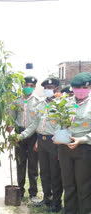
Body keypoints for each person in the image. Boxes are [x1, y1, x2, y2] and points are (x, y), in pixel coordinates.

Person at [17, 77, 63, 213]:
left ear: (57, 89)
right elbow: (34, 124)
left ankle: (56, 201)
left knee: (55, 172)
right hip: (42, 140)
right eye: (46, 88)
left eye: (51, 88)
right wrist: (22, 135)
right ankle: (47, 198)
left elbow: (65, 125)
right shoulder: (41, 104)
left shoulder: (61, 105)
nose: (48, 90)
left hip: (54, 141)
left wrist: (60, 141)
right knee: (44, 172)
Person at [55, 72, 91, 214]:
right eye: (77, 88)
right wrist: (57, 136)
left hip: (84, 149)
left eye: (84, 87)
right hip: (65, 149)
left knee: (84, 185)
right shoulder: (66, 103)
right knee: (68, 184)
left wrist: (81, 139)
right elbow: (60, 124)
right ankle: (69, 211)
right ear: (72, 89)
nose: (80, 90)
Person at [7, 76, 41, 202]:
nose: (29, 87)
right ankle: (20, 190)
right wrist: (10, 126)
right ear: (22, 86)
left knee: (33, 165)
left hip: (33, 135)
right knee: (20, 163)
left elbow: (37, 122)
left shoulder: (38, 102)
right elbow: (12, 118)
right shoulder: (16, 101)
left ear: (34, 87)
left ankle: (33, 192)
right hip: (19, 134)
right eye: (27, 85)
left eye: (32, 85)